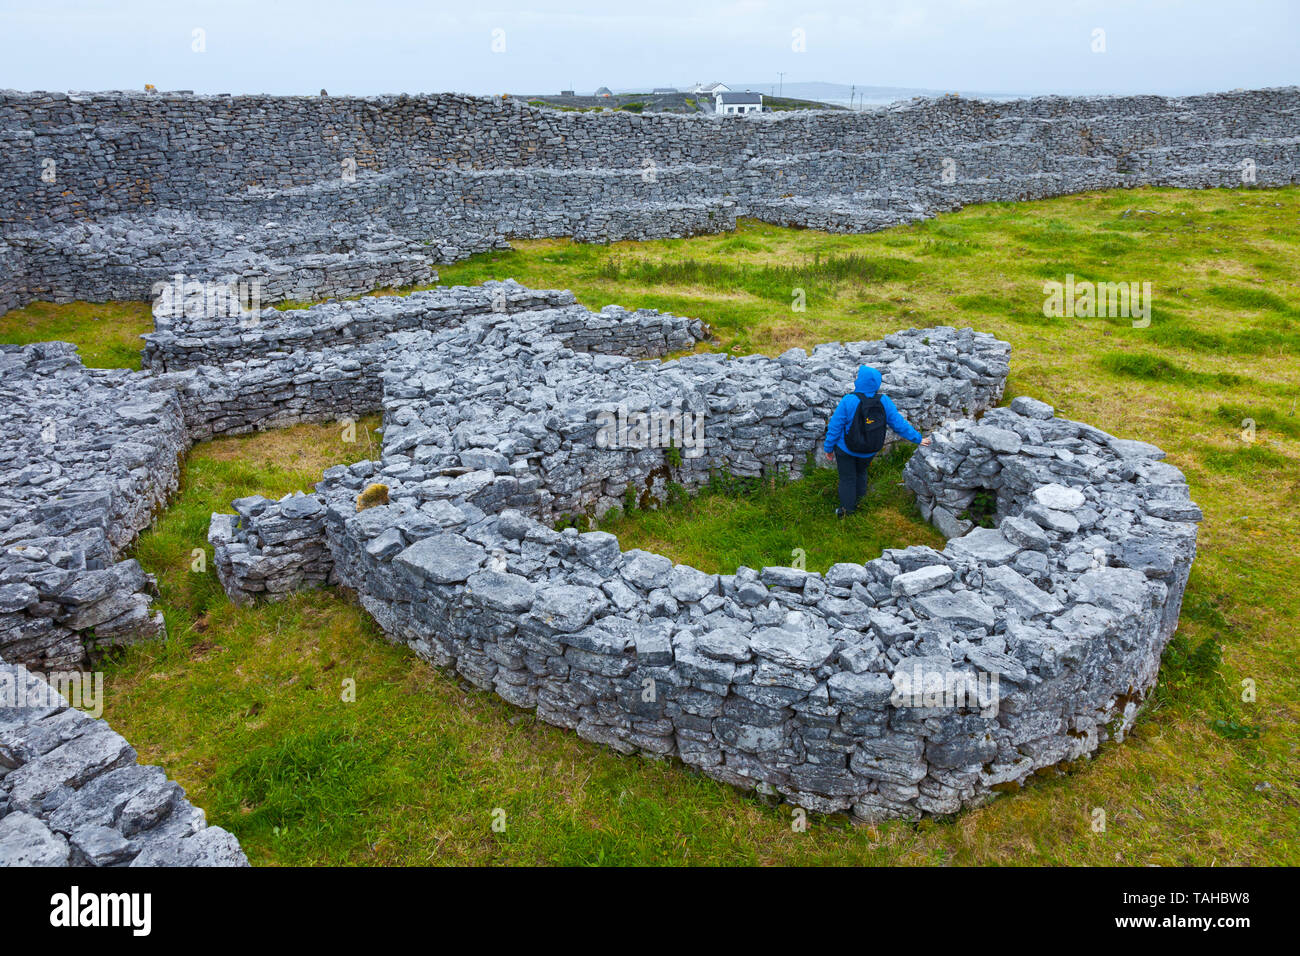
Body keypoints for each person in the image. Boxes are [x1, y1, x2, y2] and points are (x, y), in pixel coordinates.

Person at [822, 365, 931, 517]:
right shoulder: (884, 401)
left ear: (861, 381)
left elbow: (835, 426)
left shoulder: (849, 400)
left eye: (858, 377)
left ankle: (847, 511)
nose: (856, 378)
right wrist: (918, 438)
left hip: (846, 448)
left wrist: (828, 448)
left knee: (847, 478)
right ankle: (860, 501)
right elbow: (899, 424)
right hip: (870, 449)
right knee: (861, 473)